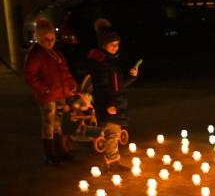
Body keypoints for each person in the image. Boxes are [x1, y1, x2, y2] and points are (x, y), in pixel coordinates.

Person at [23, 19, 78, 166]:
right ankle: (50, 154)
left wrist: (71, 84)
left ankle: (60, 151)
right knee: (48, 124)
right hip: (48, 96)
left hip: (60, 94)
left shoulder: (56, 53)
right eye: (45, 39)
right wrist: (44, 89)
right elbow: (30, 76)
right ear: (38, 38)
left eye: (52, 38)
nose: (49, 42)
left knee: (58, 123)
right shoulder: (36, 55)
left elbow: (65, 71)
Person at [87, 19, 138, 173]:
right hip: (110, 105)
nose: (116, 48)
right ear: (103, 45)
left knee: (113, 132)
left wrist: (132, 77)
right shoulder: (102, 65)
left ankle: (112, 161)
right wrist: (109, 104)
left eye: (117, 45)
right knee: (112, 134)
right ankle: (113, 163)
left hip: (116, 102)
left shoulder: (111, 62)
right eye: (112, 45)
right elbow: (101, 88)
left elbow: (117, 85)